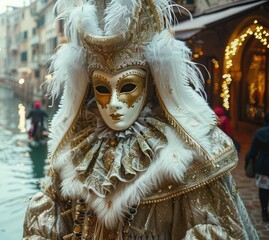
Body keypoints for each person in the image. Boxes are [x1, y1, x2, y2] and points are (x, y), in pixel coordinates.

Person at [23, 0, 257, 239]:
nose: (113, 103)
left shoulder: (187, 157)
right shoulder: (72, 152)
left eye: (128, 86)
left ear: (149, 85)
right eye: (103, 89)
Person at [246, 112, 269, 222]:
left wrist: (249, 161)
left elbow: (252, 152)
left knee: (263, 190)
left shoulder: (259, 133)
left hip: (263, 165)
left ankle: (264, 211)